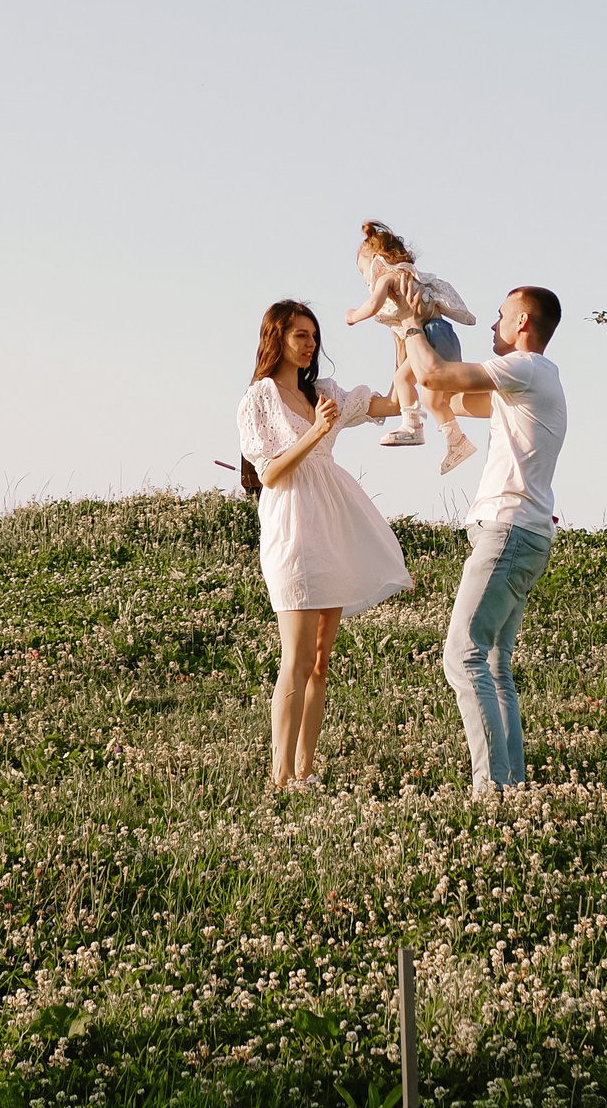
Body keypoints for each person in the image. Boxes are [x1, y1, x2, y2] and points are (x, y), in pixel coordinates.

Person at [235, 299, 413, 791]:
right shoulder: (260, 398)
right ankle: (278, 774)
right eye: (300, 335)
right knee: (294, 655)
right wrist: (316, 431)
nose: (310, 344)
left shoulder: (325, 392)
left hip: (332, 526)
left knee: (320, 658)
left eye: (313, 336)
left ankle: (304, 773)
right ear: (277, 338)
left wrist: (400, 334)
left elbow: (393, 404)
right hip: (292, 527)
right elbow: (270, 471)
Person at [400, 285, 566, 796]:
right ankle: (511, 788)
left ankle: (491, 791)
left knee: (462, 655)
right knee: (494, 665)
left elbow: (433, 375)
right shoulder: (525, 383)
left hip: (508, 532)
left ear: (522, 324)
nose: (492, 326)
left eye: (499, 316)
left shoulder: (527, 368)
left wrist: (409, 322)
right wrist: (420, 335)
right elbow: (443, 393)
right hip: (523, 533)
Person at [343, 219, 480, 474]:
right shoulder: (416, 278)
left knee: (401, 379)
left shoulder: (390, 278)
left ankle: (412, 427)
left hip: (429, 338)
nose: (364, 280)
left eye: (362, 271)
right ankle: (457, 441)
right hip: (444, 336)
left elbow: (371, 305)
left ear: (376, 261)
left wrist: (352, 315)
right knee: (432, 399)